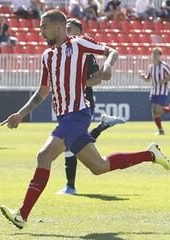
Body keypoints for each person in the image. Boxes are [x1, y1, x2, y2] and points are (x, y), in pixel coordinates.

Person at [0, 10, 170, 229]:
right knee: (100, 166)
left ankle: (22, 214)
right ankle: (151, 154)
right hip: (65, 119)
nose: (40, 31)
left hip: (78, 114)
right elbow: (43, 91)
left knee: (44, 156)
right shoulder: (47, 56)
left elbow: (112, 51)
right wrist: (20, 114)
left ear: (59, 27)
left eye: (44, 27)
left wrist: (107, 65)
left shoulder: (79, 44)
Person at [57, 18, 126, 195]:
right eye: (65, 28)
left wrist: (77, 85)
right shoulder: (59, 52)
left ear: (79, 32)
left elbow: (97, 78)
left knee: (70, 143)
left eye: (70, 28)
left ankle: (70, 186)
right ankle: (103, 126)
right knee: (77, 142)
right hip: (66, 103)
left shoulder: (86, 52)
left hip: (82, 103)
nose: (67, 31)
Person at [140, 48, 170, 135]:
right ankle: (161, 130)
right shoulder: (151, 67)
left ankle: (168, 109)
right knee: (154, 111)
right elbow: (148, 79)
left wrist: (164, 80)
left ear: (160, 56)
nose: (155, 55)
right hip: (154, 91)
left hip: (162, 91)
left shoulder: (164, 66)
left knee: (157, 110)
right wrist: (143, 77)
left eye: (157, 54)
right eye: (154, 53)